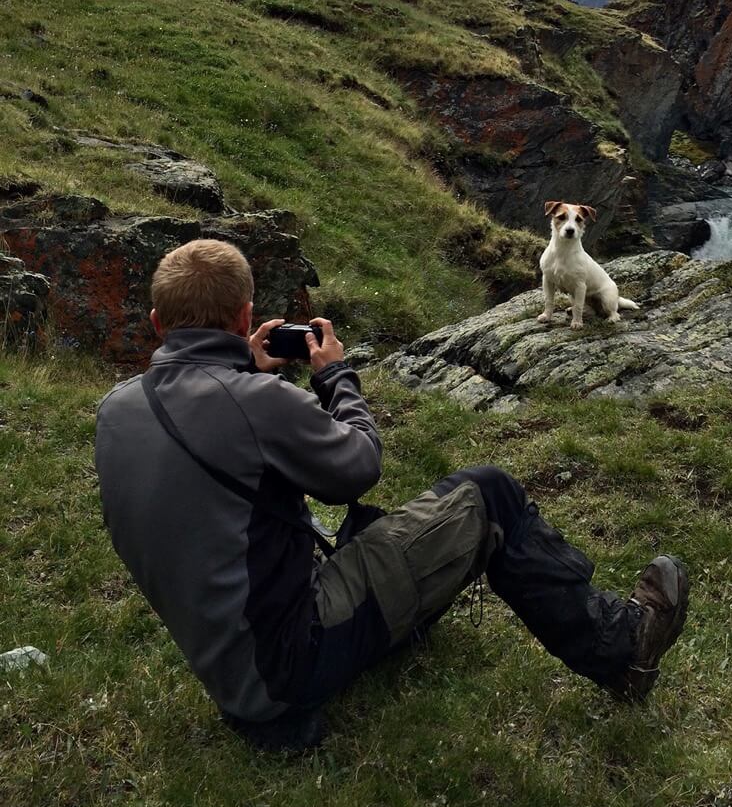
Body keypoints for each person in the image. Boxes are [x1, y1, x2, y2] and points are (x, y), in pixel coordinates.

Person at [95, 238, 689, 751]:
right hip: (287, 665)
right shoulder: (257, 403)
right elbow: (357, 465)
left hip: (223, 659)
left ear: (156, 322)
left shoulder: (116, 410)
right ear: (246, 312)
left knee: (379, 538)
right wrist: (336, 378)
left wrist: (245, 374)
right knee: (491, 493)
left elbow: (215, 464)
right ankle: (621, 648)